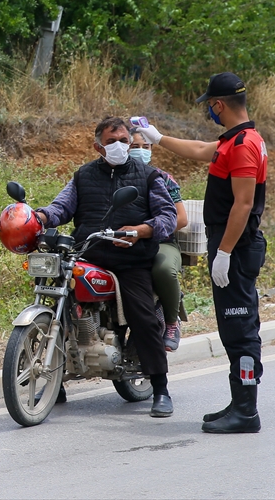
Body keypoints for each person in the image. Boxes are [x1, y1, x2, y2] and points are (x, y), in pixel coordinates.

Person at [133, 72, 267, 434]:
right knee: (233, 329)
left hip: (236, 250)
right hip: (233, 247)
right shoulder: (236, 139)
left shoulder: (243, 145)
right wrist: (157, 138)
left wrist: (223, 253)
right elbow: (198, 149)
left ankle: (246, 413)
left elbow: (243, 204)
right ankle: (240, 402)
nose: (210, 110)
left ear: (219, 104)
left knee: (239, 331)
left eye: (211, 104)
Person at [33, 116, 180, 418]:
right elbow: (62, 206)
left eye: (123, 140)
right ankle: (54, 380)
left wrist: (141, 230)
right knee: (59, 297)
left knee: (142, 315)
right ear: (97, 146)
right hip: (89, 252)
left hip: (131, 259)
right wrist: (41, 217)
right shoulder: (83, 176)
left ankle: (161, 388)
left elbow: (168, 217)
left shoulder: (148, 175)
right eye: (111, 141)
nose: (119, 146)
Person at [130, 130, 188, 351]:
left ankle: (172, 321)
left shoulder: (162, 178)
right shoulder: (111, 177)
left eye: (146, 147)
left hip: (161, 241)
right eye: (135, 146)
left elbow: (181, 219)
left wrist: (147, 231)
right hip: (121, 241)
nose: (141, 151)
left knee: (163, 270)